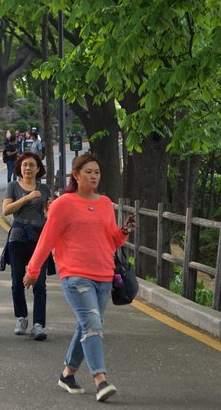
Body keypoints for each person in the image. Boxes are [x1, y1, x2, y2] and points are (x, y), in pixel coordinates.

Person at [24, 153, 137, 402]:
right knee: (93, 326)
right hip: (75, 276)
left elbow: (112, 241)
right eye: (88, 171)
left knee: (86, 326)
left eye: (97, 172)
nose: (94, 176)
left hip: (104, 275)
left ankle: (67, 374)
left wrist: (124, 231)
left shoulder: (106, 203)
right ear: (76, 175)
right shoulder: (63, 204)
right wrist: (33, 271)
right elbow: (47, 240)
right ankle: (101, 380)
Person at [2, 153, 54, 340]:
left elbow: (50, 213)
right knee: (17, 282)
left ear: (38, 168)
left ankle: (38, 324)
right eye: (24, 165)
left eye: (32, 165)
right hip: (17, 237)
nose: (28, 168)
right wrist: (27, 198)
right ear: (20, 168)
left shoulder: (45, 188)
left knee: (40, 283)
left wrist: (50, 208)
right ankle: (21, 317)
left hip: (40, 238)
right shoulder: (13, 186)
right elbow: (6, 210)